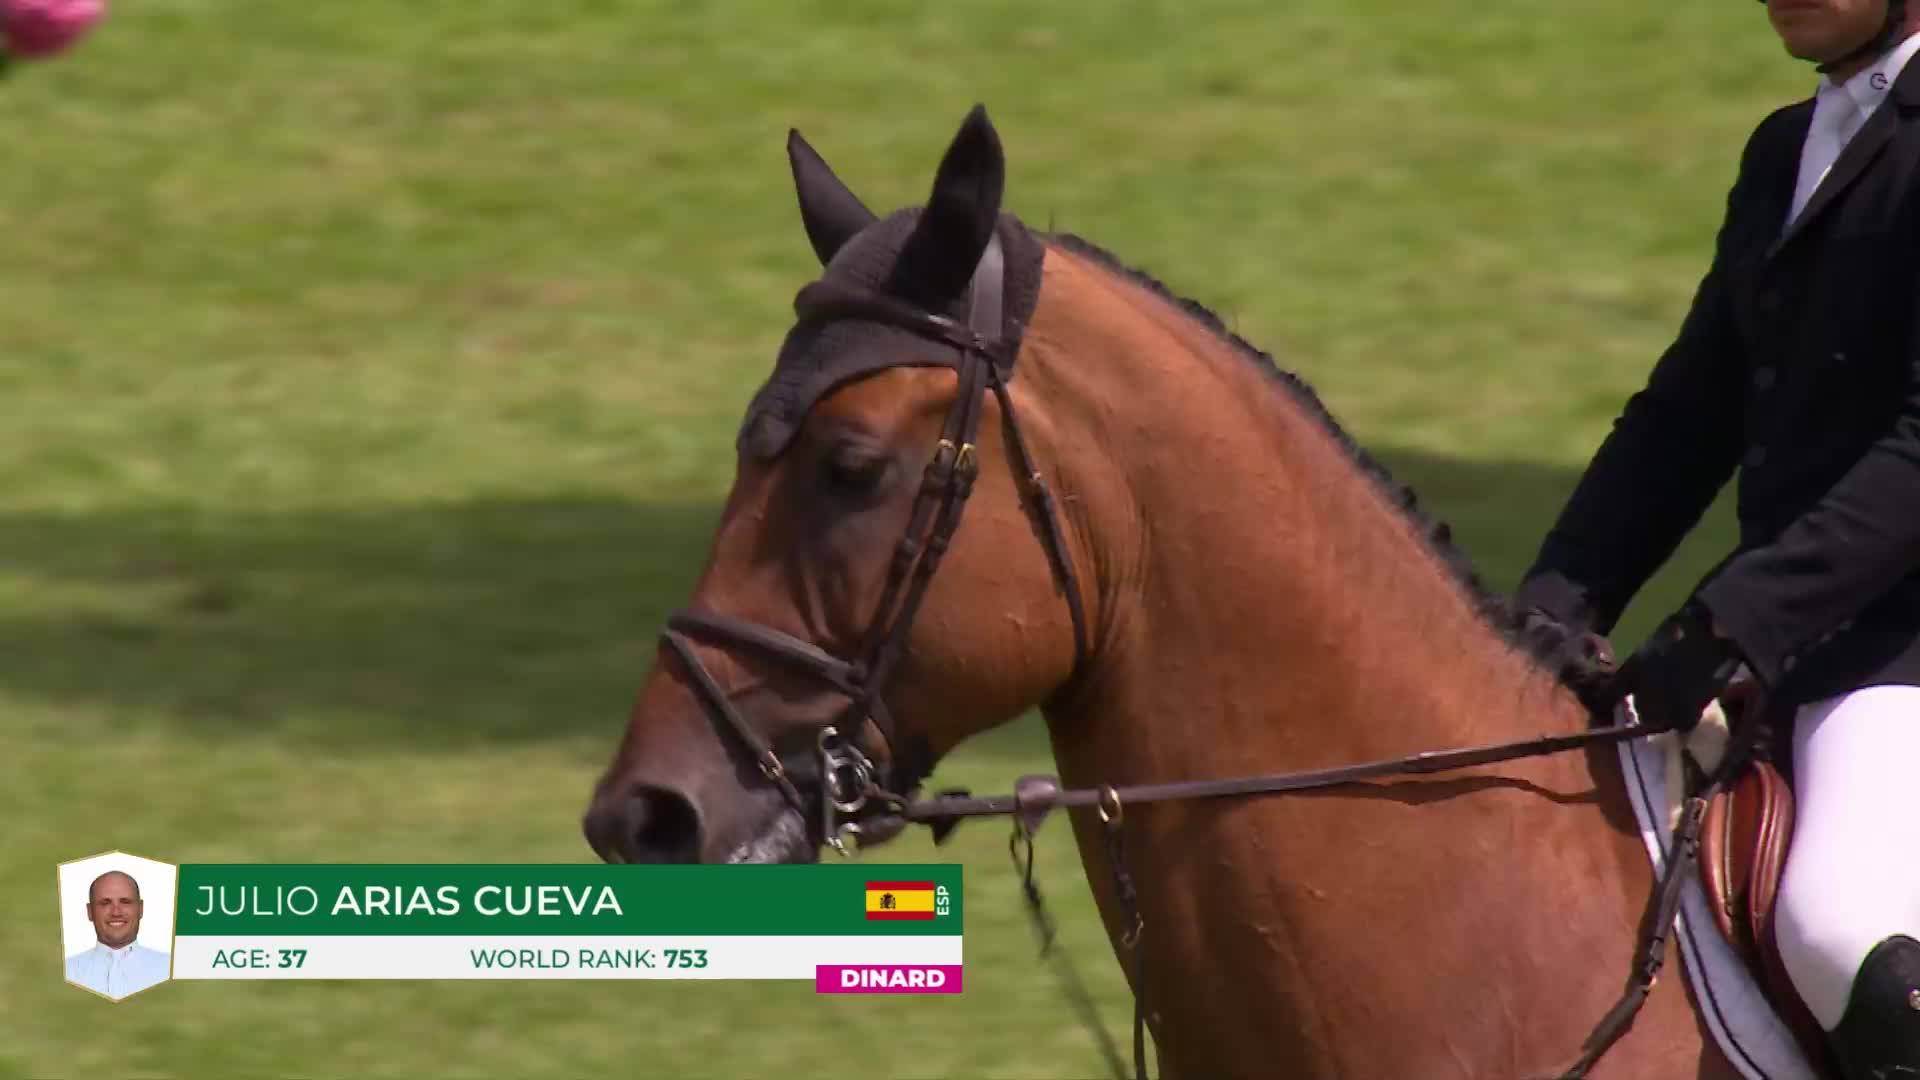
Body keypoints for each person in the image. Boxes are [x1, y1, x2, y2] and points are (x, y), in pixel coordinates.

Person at [1512, 1, 1920, 1075]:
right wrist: (1558, 597)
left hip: (1901, 660)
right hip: (1797, 647)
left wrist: (1733, 623)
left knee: (1837, 927)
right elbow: (1692, 410)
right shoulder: (1787, 146)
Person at [65, 870, 170, 1000]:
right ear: (90, 911)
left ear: (141, 909)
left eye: (125, 902)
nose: (116, 912)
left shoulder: (170, 970)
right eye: (105, 903)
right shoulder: (67, 972)